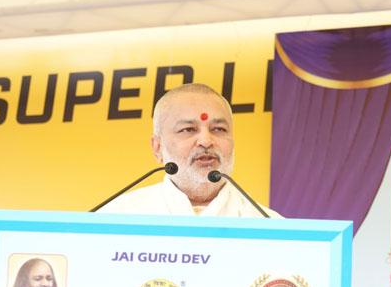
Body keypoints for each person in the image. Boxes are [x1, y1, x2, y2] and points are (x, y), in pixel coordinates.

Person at [99, 83, 280, 217]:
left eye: (218, 129)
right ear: (157, 148)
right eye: (188, 130)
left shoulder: (273, 227)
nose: (206, 141)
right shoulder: (116, 219)